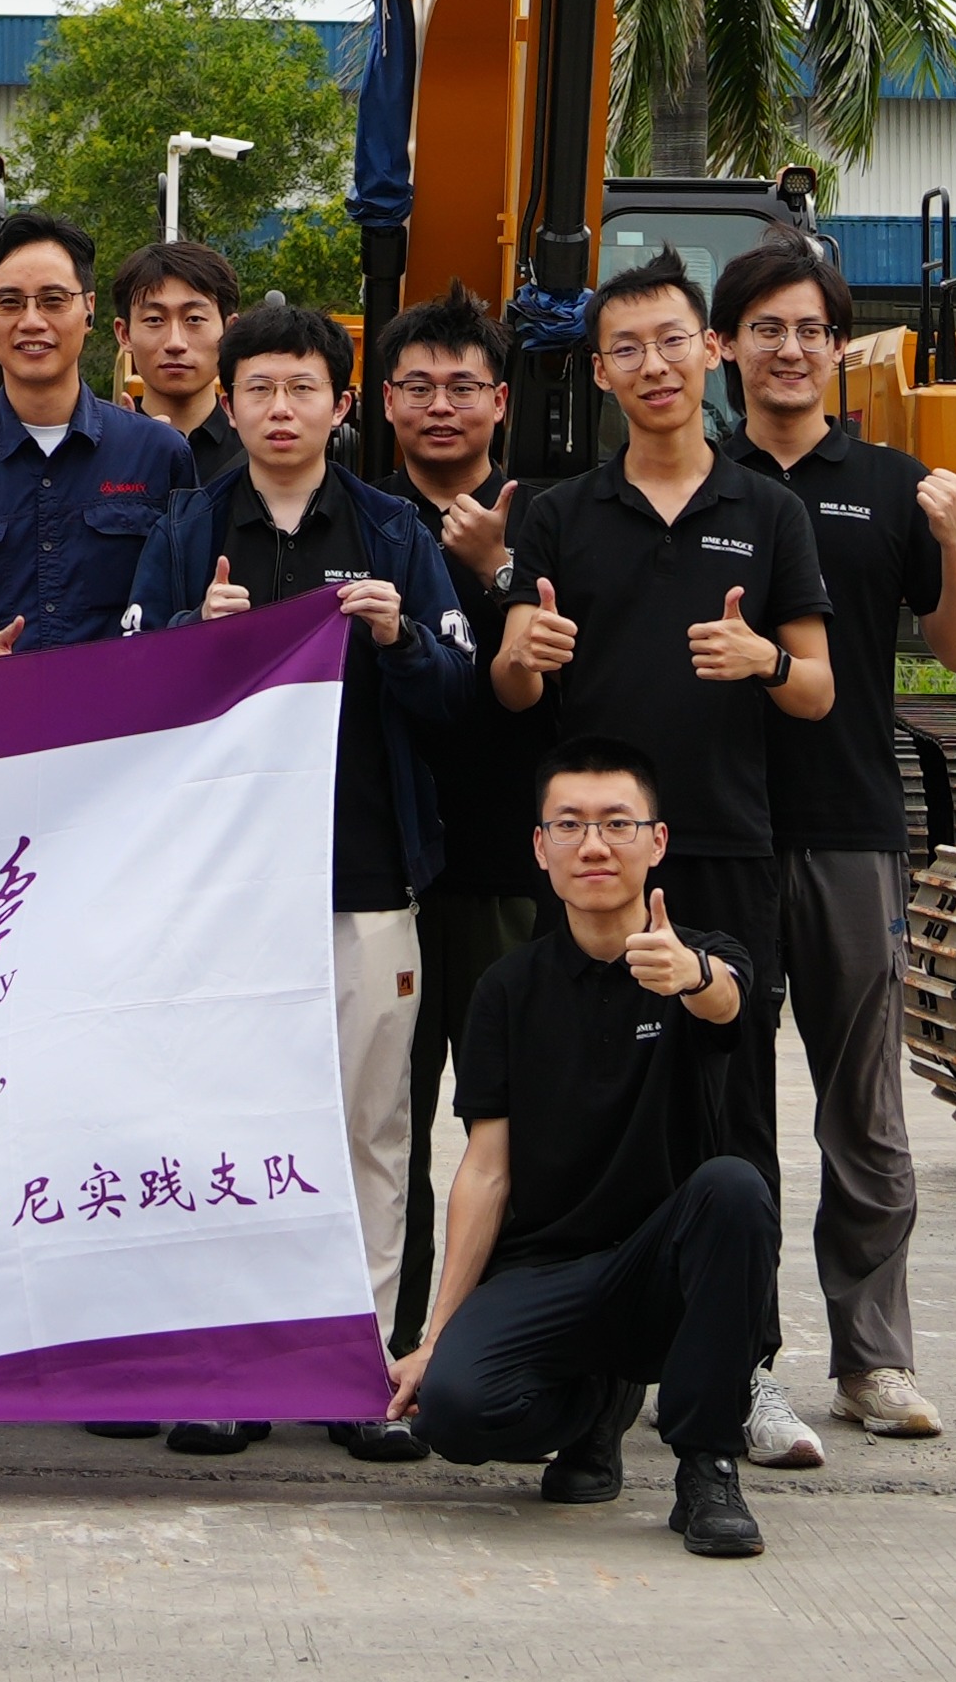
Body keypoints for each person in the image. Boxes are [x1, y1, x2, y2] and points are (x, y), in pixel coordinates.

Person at [481, 255, 830, 1464]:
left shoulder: (767, 511)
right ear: (599, 372)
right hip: (589, 857)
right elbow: (511, 691)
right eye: (625, 348)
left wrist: (763, 663)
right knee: (580, 1111)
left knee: (735, 1110)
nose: (654, 365)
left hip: (722, 849)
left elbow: (818, 687)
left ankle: (747, 1369)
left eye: (672, 340)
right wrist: (520, 652)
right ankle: (587, 1357)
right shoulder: (557, 513)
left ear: (709, 350)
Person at [119, 294, 476, 1459]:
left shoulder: (391, 533)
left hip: (364, 880)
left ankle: (354, 1369)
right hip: (219, 898)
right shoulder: (188, 527)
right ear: (227, 405)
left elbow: (458, 699)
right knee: (220, 1131)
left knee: (369, 1132)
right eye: (258, 389)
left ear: (340, 404)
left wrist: (398, 638)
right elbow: (125, 688)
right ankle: (224, 1366)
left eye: (301, 388)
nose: (279, 408)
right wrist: (191, 630)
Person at [722, 230, 956, 1451]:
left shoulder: (891, 484)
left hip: (846, 830)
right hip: (718, 833)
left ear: (838, 348)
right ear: (724, 345)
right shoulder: (693, 478)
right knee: (725, 1111)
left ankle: (873, 1360)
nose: (787, 349)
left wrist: (954, 537)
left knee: (863, 1115)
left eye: (808, 330)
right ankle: (735, 1359)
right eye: (764, 328)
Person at [389, 741, 778, 1562]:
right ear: (540, 847)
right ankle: (596, 1405)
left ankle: (706, 1466)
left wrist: (690, 974)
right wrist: (435, 1333)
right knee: (454, 1412)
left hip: (662, 1265)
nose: (593, 844)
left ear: (656, 840)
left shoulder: (703, 955)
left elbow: (729, 1002)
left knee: (735, 1190)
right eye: (569, 825)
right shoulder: (507, 987)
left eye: (616, 823)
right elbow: (486, 1168)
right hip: (548, 1269)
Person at [365, 289, 545, 1350]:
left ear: (500, 401)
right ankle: (388, 1340)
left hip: (501, 866)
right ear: (384, 400)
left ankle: (488, 1343)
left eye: (463, 387)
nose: (441, 406)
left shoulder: (548, 518)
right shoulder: (356, 517)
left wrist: (499, 568)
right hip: (378, 868)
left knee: (505, 1115)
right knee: (382, 1120)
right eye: (419, 386)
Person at [0, 211, 188, 661]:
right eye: (8, 302)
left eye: (53, 300)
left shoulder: (158, 454)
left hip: (123, 704)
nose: (31, 321)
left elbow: (184, 599)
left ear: (89, 309)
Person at [112, 235, 245, 440]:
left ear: (229, 331)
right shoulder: (103, 447)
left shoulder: (259, 446)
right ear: (124, 334)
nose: (175, 343)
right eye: (154, 320)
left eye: (194, 319)